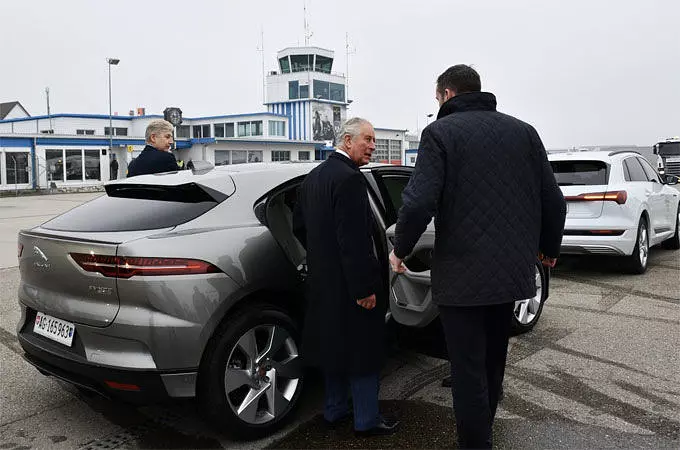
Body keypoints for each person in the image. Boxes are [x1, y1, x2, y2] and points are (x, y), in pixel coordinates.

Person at [389, 65, 566, 448]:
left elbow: (418, 202)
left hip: (461, 277)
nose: (436, 104)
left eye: (437, 98)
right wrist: (549, 249)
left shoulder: (438, 134)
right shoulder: (524, 132)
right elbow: (554, 200)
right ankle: (483, 429)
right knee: (492, 362)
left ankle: (476, 442)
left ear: (448, 94)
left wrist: (400, 249)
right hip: (508, 275)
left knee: (467, 370)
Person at [293, 117, 399, 437]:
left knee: (334, 348)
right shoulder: (350, 179)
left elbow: (300, 227)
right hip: (352, 286)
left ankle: (334, 409)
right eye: (367, 139)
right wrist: (364, 288)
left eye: (373, 139)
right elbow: (353, 241)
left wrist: (320, 258)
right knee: (362, 353)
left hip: (323, 284)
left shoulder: (312, 178)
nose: (372, 145)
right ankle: (366, 419)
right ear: (347, 141)